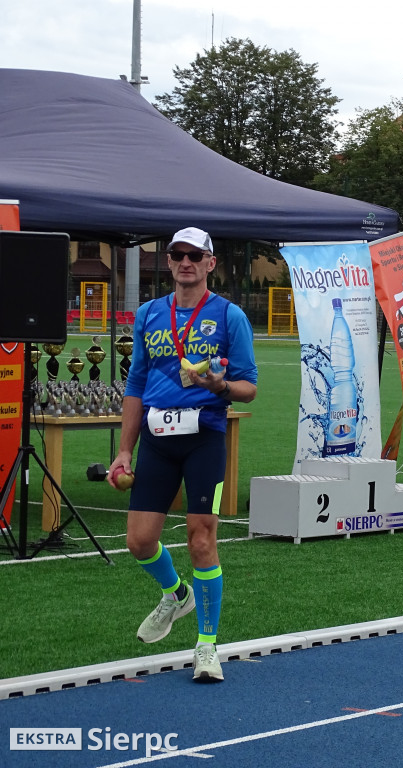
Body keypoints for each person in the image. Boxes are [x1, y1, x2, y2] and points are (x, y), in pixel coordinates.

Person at [108, 227, 258, 683]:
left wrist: (220, 386)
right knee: (139, 542)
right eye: (178, 255)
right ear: (169, 262)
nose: (186, 262)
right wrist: (124, 450)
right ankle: (176, 594)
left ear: (211, 263)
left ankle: (207, 646)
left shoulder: (229, 316)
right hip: (156, 437)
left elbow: (249, 388)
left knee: (201, 539)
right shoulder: (150, 314)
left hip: (204, 436)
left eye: (195, 255)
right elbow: (136, 384)